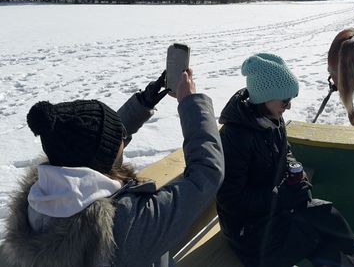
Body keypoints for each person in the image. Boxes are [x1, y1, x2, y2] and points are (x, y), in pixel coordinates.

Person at [2, 69, 224, 267]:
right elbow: (207, 173)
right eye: (117, 137)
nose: (120, 139)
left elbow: (93, 144)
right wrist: (191, 103)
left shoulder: (35, 202)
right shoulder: (127, 224)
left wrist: (142, 104)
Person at [216, 53, 354, 267]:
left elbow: (284, 152)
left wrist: (295, 172)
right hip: (249, 232)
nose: (288, 107)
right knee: (323, 222)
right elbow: (231, 201)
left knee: (324, 229)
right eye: (285, 100)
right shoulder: (235, 137)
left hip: (271, 214)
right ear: (264, 96)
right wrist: (281, 197)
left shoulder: (271, 120)